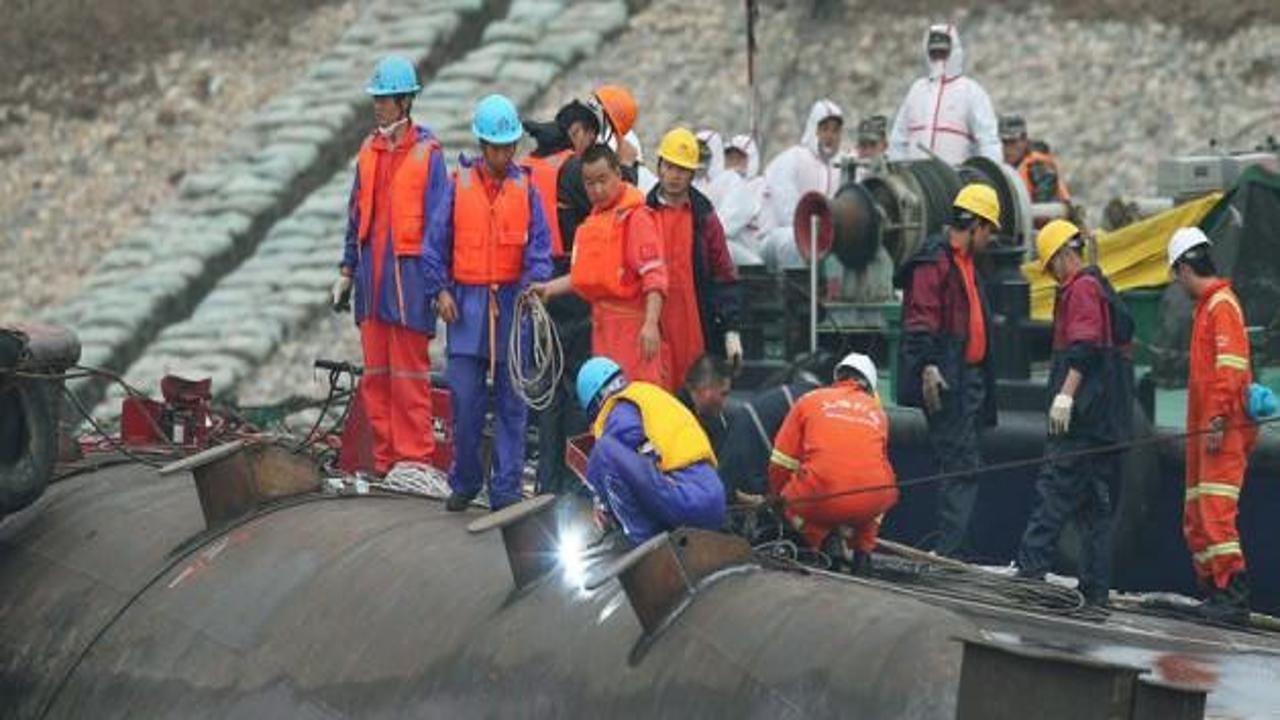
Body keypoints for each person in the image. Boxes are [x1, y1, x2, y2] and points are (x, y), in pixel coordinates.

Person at [424, 94, 553, 511]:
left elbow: (539, 248)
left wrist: (534, 282)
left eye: (508, 146)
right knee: (464, 403)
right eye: (495, 146)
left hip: (513, 306)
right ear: (482, 145)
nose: (502, 154)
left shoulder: (526, 189)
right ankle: (464, 480)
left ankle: (507, 491)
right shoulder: (457, 187)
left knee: (514, 406)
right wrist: (440, 291)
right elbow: (433, 247)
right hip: (466, 308)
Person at [333, 56, 448, 476]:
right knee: (377, 380)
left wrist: (439, 288)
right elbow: (355, 215)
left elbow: (439, 229)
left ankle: (414, 463)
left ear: (404, 102)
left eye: (384, 99)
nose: (377, 106)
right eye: (376, 99)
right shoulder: (369, 151)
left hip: (409, 288)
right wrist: (346, 271)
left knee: (410, 382)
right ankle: (384, 464)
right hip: (372, 287)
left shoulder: (428, 155)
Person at [1015, 220, 1134, 607]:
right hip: (1104, 428)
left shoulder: (1081, 289)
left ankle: (1029, 577)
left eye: (1051, 266)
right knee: (1094, 511)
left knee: (1052, 495)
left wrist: (1065, 396)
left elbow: (1083, 348)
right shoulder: (1101, 288)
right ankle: (1096, 590)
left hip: (1081, 428)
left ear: (1064, 257)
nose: (1052, 275)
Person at [894, 183, 1000, 559]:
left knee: (964, 465)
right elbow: (920, 320)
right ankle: (951, 556)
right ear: (975, 226)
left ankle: (957, 549)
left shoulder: (966, 265)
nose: (990, 240)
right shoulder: (934, 263)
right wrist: (927, 367)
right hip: (947, 381)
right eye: (989, 231)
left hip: (967, 380)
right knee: (961, 467)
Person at [1169, 227, 1258, 624]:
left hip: (1222, 428)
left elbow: (1230, 368)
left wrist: (1220, 415)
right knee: (1198, 512)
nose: (1177, 281)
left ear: (1186, 267)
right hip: (1205, 428)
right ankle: (1215, 591)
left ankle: (1232, 594)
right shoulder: (1208, 307)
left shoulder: (1221, 306)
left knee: (1215, 510)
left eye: (1177, 273)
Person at [533, 144, 669, 387]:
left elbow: (654, 276)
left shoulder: (636, 218)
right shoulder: (594, 222)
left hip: (633, 330)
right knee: (607, 402)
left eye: (603, 180)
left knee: (638, 400)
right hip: (602, 330)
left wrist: (650, 324)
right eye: (589, 183)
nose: (597, 189)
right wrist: (549, 289)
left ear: (618, 173)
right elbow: (583, 276)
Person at [524, 99, 601, 495]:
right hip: (570, 284)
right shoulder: (572, 169)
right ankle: (574, 482)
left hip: (536, 286)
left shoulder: (526, 172)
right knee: (576, 387)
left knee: (547, 388)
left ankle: (546, 481)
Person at [767, 353, 898, 574]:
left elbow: (780, 463)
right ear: (870, 388)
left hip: (819, 499)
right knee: (884, 489)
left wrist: (780, 499)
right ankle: (863, 552)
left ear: (837, 377)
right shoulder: (878, 413)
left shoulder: (809, 401)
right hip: (868, 502)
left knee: (787, 500)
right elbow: (879, 468)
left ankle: (823, 538)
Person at [576, 356, 727, 544]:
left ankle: (645, 545)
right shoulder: (646, 395)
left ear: (595, 402)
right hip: (711, 498)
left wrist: (603, 504)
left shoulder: (618, 410)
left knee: (603, 452)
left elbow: (625, 464)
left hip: (687, 498)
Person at [647, 127, 743, 382]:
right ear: (659, 167)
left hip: (697, 328)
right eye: (670, 167)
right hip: (654, 326)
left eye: (682, 170)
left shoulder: (704, 217)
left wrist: (731, 330)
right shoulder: (643, 214)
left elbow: (724, 273)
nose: (674, 176)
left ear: (692, 174)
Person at [888, 24, 1000, 166]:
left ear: (954, 51)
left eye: (943, 52)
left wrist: (989, 175)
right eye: (934, 53)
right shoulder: (916, 90)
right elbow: (898, 141)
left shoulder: (971, 91)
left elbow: (988, 141)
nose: (938, 58)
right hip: (915, 180)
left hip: (956, 179)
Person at [760, 99, 844, 268]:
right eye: (824, 129)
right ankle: (798, 293)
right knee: (798, 241)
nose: (830, 136)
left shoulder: (841, 166)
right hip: (777, 237)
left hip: (821, 238)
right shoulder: (792, 159)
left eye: (835, 131)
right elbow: (787, 213)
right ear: (814, 130)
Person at [711, 134, 767, 262]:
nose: (734, 163)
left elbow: (724, 227)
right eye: (730, 158)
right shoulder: (721, 184)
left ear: (752, 159)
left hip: (752, 253)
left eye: (740, 158)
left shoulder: (761, 185)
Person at [999, 114, 1070, 204]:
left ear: (1024, 140)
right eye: (1004, 142)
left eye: (1012, 142)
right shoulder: (1002, 167)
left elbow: (1044, 200)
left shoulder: (1038, 165)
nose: (1008, 148)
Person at [677, 353, 734, 455]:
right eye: (723, 394)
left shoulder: (714, 421)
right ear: (706, 388)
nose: (724, 403)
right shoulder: (677, 419)